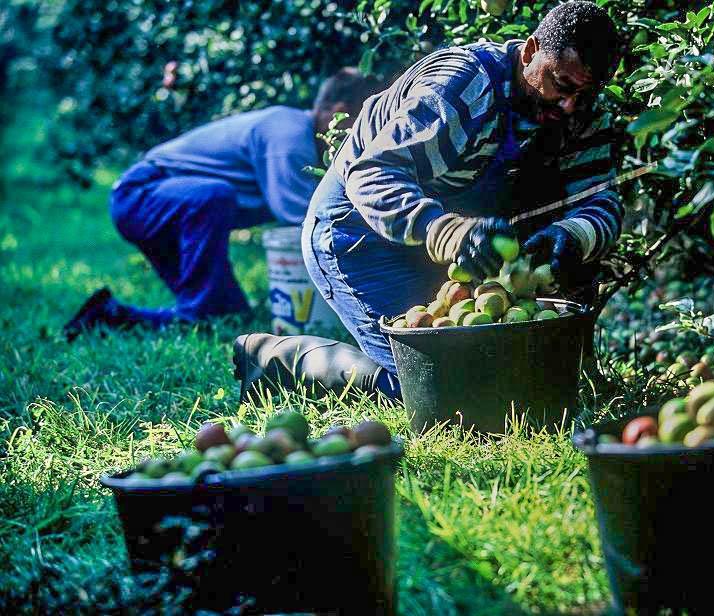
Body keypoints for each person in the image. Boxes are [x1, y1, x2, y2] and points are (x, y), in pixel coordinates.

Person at [233, 2, 623, 401]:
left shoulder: (582, 115)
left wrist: (574, 234)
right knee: (432, 386)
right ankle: (276, 359)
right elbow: (372, 174)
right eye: (563, 85)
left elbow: (601, 199)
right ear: (529, 52)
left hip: (445, 245)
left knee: (497, 377)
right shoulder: (463, 87)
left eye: (586, 94)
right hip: (358, 233)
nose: (571, 105)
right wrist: (447, 231)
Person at [63, 68, 381, 340]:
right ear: (338, 110)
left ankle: (108, 316)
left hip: (174, 205)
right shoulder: (290, 136)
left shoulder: (299, 138)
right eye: (361, 122)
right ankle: (167, 313)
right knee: (214, 204)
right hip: (141, 197)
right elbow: (311, 221)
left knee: (225, 315)